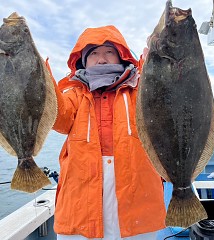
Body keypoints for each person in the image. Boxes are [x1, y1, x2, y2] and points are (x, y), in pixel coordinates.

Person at [51, 25, 166, 240]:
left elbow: (164, 104)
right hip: (81, 200)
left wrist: (159, 64)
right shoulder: (73, 93)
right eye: (93, 53)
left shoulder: (140, 89)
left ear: (121, 57)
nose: (101, 59)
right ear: (83, 60)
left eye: (108, 52)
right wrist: (40, 77)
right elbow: (58, 118)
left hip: (137, 198)